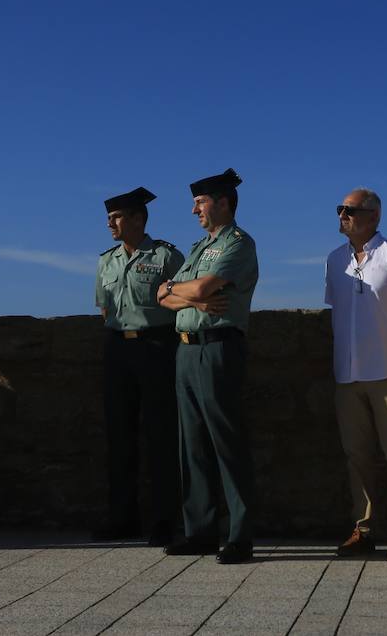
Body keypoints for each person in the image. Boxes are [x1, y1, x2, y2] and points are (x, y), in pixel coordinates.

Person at [158, 168, 259, 565]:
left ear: (222, 202)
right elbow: (160, 297)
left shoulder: (239, 244)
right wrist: (191, 299)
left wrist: (184, 293)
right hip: (185, 348)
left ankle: (239, 535)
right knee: (192, 445)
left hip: (218, 348)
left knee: (226, 443)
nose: (194, 209)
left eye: (200, 202)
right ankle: (199, 530)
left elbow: (194, 288)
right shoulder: (200, 247)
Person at [324, 188, 387, 562]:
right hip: (347, 375)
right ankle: (362, 530)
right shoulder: (335, 261)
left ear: (374, 216)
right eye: (340, 209)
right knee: (356, 457)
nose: (342, 215)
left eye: (350, 210)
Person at [93, 187, 184, 546]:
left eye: (116, 217)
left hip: (157, 345)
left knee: (161, 435)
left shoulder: (165, 257)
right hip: (118, 348)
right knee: (119, 436)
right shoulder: (106, 260)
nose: (110, 224)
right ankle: (123, 517)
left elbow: (180, 300)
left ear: (137, 219)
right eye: (109, 218)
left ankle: (164, 520)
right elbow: (104, 308)